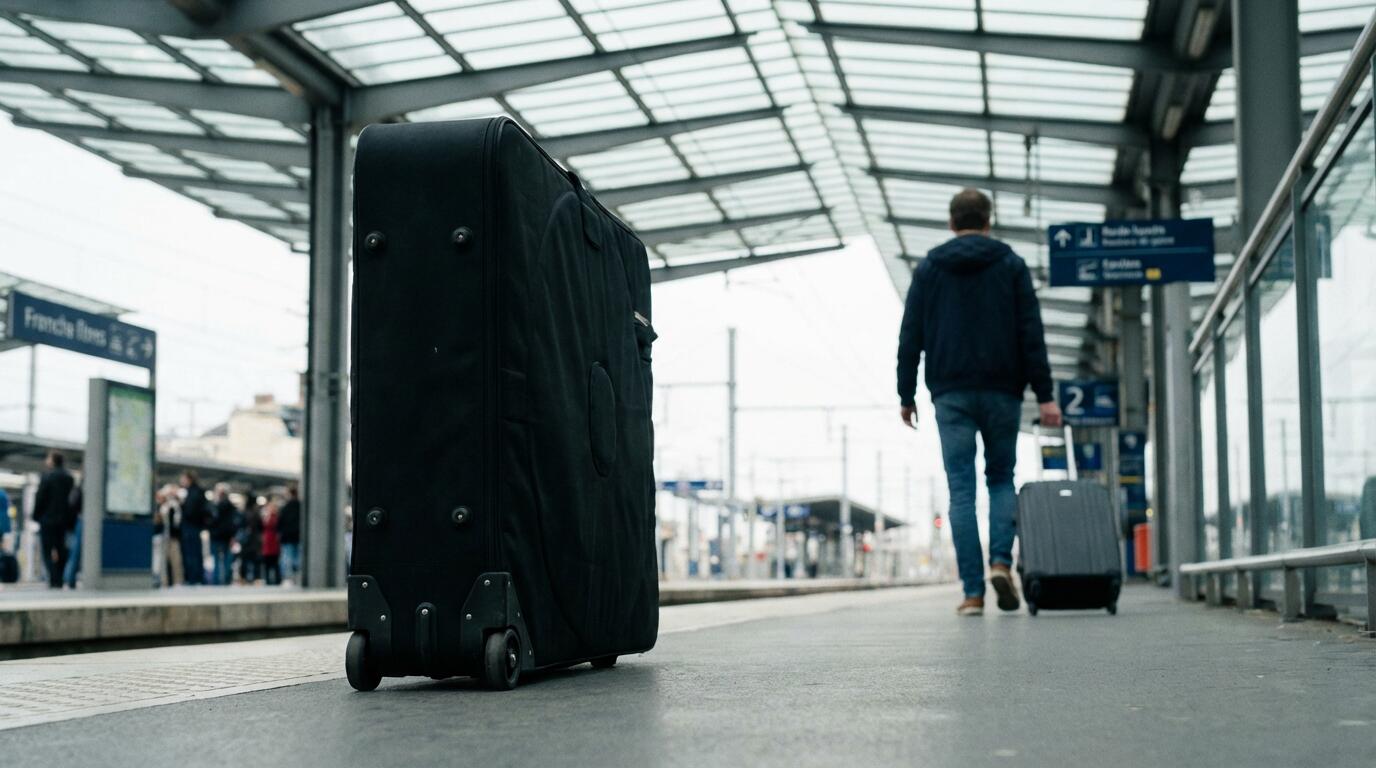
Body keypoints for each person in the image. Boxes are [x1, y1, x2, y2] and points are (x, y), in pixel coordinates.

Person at [896, 188, 1061, 617]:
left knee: (961, 490)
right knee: (1001, 478)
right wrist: (1045, 395)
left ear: (952, 223)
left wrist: (906, 394)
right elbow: (1031, 334)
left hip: (950, 391)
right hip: (1004, 389)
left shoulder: (930, 267)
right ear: (988, 222)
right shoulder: (1010, 264)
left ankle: (972, 593)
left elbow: (910, 334)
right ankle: (1001, 563)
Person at [32, 450, 75, 588]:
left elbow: (40, 498)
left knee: (47, 551)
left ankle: (53, 578)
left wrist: (36, 515)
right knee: (61, 549)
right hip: (63, 521)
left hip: (47, 520)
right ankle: (59, 578)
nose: (47, 461)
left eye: (48, 458)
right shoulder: (69, 478)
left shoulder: (47, 476)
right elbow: (72, 501)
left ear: (53, 461)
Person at [178, 470, 208, 585]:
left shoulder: (193, 492)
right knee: (195, 553)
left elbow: (190, 511)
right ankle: (197, 578)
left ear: (189, 479)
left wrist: (182, 505)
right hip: (195, 527)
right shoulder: (197, 491)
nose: (181, 481)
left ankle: (193, 578)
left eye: (183, 478)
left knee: (191, 554)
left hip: (191, 527)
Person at [208, 484, 238, 586]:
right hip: (227, 536)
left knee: (217, 560)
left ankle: (217, 581)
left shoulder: (215, 507)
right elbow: (234, 523)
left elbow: (210, 521)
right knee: (226, 559)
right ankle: (226, 580)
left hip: (217, 536)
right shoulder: (231, 507)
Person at [157, 484, 184, 586]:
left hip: (173, 537)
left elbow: (177, 522)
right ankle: (164, 582)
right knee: (163, 562)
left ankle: (178, 582)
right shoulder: (162, 507)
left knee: (176, 561)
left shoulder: (175, 506)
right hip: (163, 537)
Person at [278, 485, 301, 583]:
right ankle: (297, 576)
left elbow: (280, 522)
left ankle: (287, 577)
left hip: (287, 536)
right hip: (298, 535)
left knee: (287, 557)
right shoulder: (301, 506)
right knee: (297, 557)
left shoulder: (285, 507)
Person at [238, 497, 263, 584]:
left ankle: (242, 578)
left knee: (244, 560)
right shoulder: (256, 514)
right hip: (255, 541)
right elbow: (261, 527)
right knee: (256, 561)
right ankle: (257, 579)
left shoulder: (243, 513)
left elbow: (239, 526)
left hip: (245, 541)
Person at [63, 480, 82, 589]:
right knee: (76, 551)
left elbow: (72, 503)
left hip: (78, 520)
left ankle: (69, 579)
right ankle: (69, 579)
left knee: (75, 552)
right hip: (82, 520)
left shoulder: (80, 485)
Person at [260, 500, 282, 586]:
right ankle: (268, 580)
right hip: (267, 542)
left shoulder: (276, 518)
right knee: (267, 563)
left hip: (274, 542)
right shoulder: (266, 517)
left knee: (275, 563)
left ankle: (276, 580)